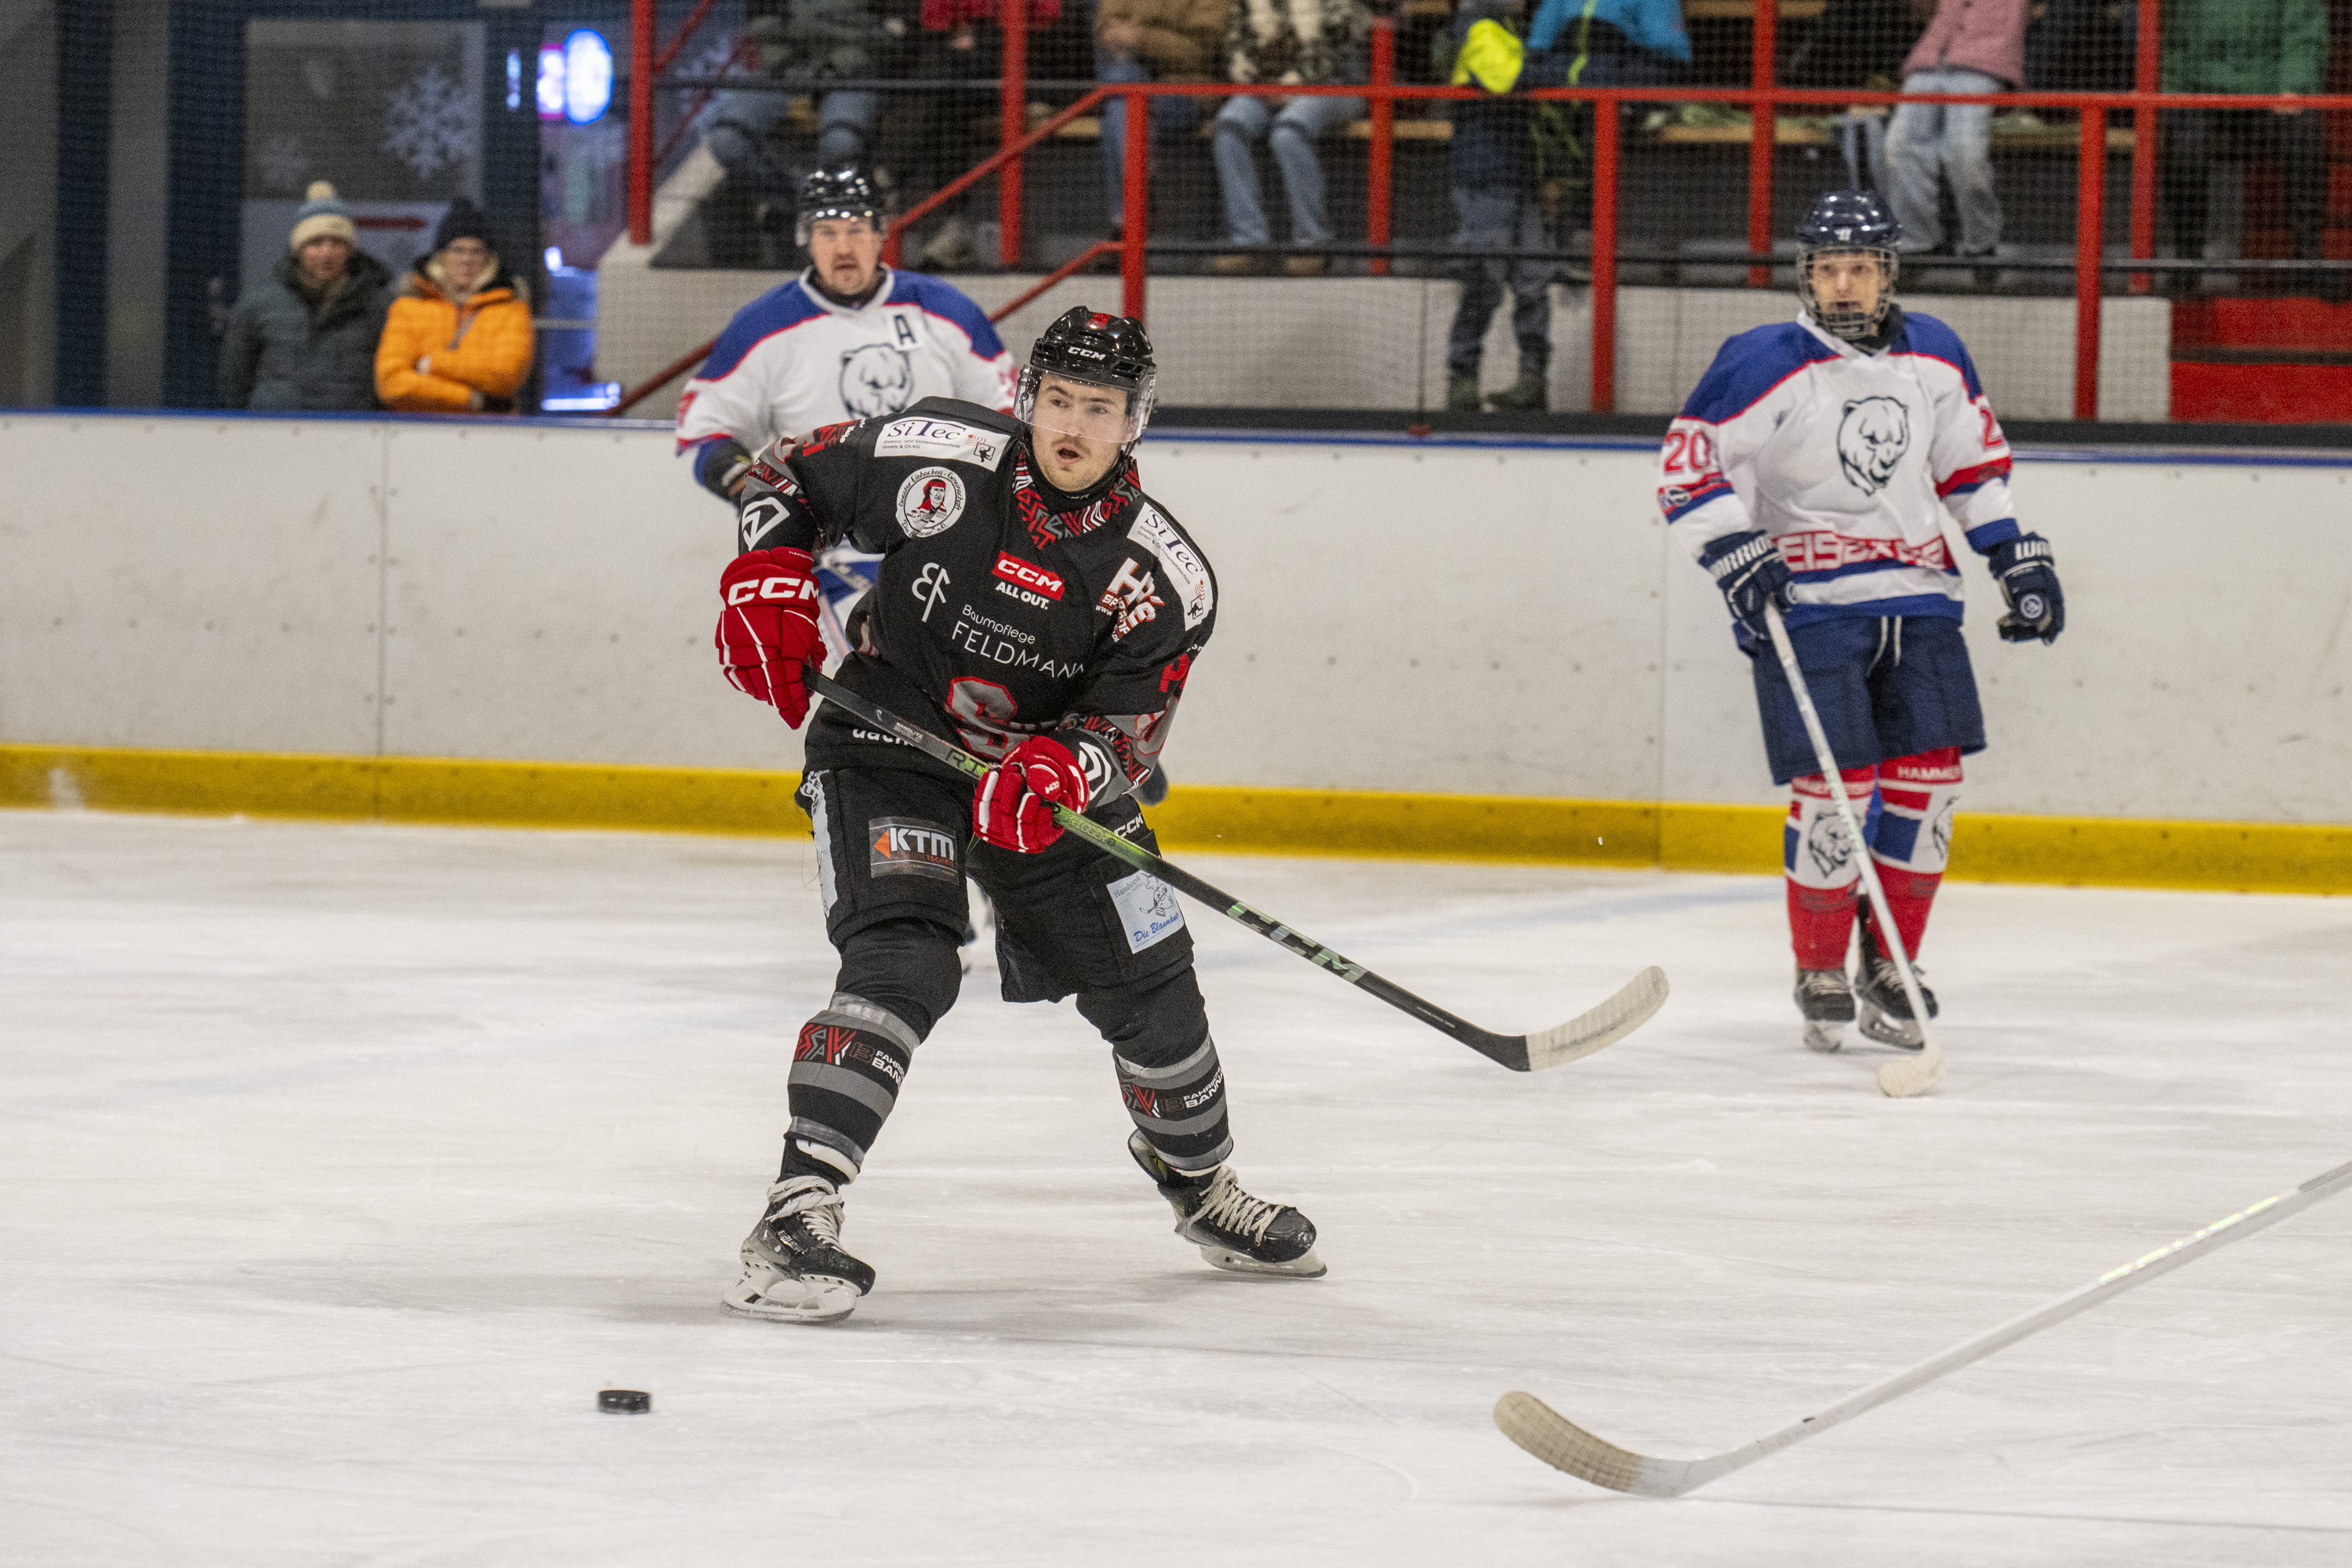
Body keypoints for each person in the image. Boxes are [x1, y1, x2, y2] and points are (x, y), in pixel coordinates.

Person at [709, 307, 1322, 1323]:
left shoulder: (1163, 577)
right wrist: (766, 571)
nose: (1074, 427)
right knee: (906, 958)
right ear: (1029, 398)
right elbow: (783, 477)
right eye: (1060, 401)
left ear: (1137, 423)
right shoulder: (933, 454)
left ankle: (1203, 1192)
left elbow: (1130, 728)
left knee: (1157, 991)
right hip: (891, 746)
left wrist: (1067, 765)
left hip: (1044, 793)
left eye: (1103, 408)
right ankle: (797, 1207)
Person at [1655, 191, 2064, 1054]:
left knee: (1929, 783)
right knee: (1835, 790)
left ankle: (1892, 963)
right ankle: (1820, 967)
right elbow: (1689, 467)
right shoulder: (1762, 358)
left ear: (1889, 272)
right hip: (1806, 604)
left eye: (1862, 267)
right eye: (1829, 267)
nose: (1844, 284)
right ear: (1808, 274)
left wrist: (2013, 553)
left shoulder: (1937, 354)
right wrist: (1735, 551)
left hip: (1918, 596)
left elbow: (1970, 466)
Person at [677, 168, 1016, 654]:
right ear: (804, 238)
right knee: (879, 706)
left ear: (881, 235)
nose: (843, 247)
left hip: (952, 553)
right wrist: (753, 490)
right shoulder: (764, 326)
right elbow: (704, 433)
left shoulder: (944, 310)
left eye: (857, 229)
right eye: (827, 231)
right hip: (834, 562)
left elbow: (1010, 419)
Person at [2158, 0, 2333, 299]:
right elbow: (2174, 42)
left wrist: (2294, 86)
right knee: (2184, 144)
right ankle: (2187, 262)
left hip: (2269, 92)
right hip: (2202, 93)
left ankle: (2307, 261)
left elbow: (2304, 30)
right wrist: (2174, 93)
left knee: (2305, 134)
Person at [702, 0, 895, 268]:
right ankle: (790, 203)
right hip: (780, 74)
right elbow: (762, 25)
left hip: (852, 75)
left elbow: (889, 35)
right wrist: (787, 67)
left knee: (841, 143)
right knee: (726, 140)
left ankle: (823, 212)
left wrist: (834, 66)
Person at [1441, 0, 1557, 412]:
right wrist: (1566, 69)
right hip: (1486, 177)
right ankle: (1462, 377)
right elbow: (1511, 78)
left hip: (1518, 175)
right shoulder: (1477, 27)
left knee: (1533, 280)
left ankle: (1532, 379)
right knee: (1484, 281)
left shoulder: (1506, 27)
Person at [1210, 0, 1370, 275]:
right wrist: (1248, 76)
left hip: (1335, 84)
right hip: (1264, 86)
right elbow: (1237, 42)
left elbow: (1338, 44)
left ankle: (1313, 243)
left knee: (1288, 133)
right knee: (1229, 128)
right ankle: (1249, 242)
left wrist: (1292, 84)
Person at [218, 181, 394, 412]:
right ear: (298, 248)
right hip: (272, 433)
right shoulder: (258, 302)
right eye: (315, 242)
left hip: (350, 435)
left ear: (350, 250)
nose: (326, 252)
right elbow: (234, 380)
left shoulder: (379, 304)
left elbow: (387, 380)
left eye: (338, 242)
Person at [1883, 0, 2027, 270]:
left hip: (1986, 62)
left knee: (1964, 153)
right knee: (1899, 146)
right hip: (1929, 60)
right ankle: (1919, 242)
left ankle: (1981, 245)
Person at [374, 198, 535, 415]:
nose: (466, 259)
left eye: (476, 251)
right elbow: (392, 384)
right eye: (458, 250)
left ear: (488, 259)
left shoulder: (511, 310)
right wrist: (472, 398)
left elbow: (505, 374)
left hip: (489, 436)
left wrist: (431, 364)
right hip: (417, 433)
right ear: (441, 256)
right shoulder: (408, 308)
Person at [1094, 0, 1229, 233]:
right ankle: (1138, 196)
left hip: (1184, 93)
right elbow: (1106, 24)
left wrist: (1143, 39)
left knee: (1118, 103)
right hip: (1129, 87)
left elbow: (1198, 53)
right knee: (1123, 92)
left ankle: (1126, 221)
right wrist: (1115, 34)